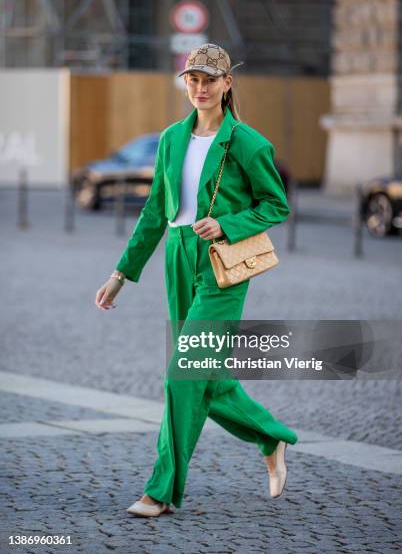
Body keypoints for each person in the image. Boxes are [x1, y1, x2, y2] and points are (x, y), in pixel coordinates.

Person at [95, 43, 298, 518]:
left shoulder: (247, 142)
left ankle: (161, 490)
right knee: (203, 374)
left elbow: (276, 204)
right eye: (193, 79)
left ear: (228, 84)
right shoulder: (170, 139)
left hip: (222, 267)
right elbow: (152, 213)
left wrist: (229, 223)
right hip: (176, 257)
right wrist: (120, 274)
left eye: (210, 80)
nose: (201, 88)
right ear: (185, 83)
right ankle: (271, 437)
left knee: (181, 373)